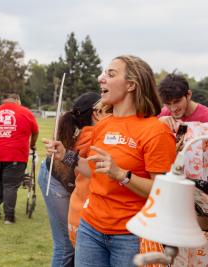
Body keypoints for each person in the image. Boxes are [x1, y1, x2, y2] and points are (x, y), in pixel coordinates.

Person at [44, 55, 177, 267]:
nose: (100, 78)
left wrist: (122, 175)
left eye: (110, 74)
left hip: (132, 236)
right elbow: (95, 169)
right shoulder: (103, 126)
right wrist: (66, 156)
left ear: (131, 85)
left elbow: (163, 192)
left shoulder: (156, 131)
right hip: (90, 229)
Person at [38, 92, 102, 267]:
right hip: (55, 180)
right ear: (96, 113)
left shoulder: (88, 133)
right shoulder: (93, 136)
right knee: (65, 246)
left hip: (57, 177)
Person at [0, 93, 39, 224]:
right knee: (10, 186)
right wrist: (32, 145)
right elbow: (35, 131)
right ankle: (9, 216)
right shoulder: (25, 112)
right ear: (17, 100)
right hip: (16, 155)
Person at [67, 99, 110, 247]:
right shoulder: (97, 138)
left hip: (77, 210)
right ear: (97, 114)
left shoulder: (82, 136)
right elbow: (92, 170)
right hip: (89, 217)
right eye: (111, 112)